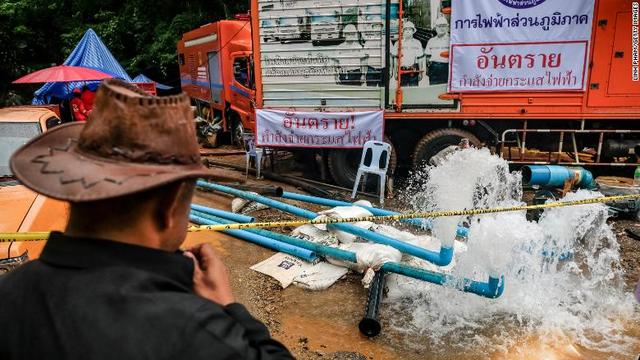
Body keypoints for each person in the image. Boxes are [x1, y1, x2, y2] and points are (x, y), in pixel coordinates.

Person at [0, 79, 294, 360]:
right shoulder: (192, 330)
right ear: (168, 207)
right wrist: (228, 306)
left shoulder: (10, 295)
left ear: (70, 189)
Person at [390, 20, 424, 87]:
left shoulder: (417, 43)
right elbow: (395, 59)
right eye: (406, 29)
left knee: (414, 91)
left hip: (413, 71)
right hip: (402, 70)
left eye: (410, 29)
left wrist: (420, 72)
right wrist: (395, 72)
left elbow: (420, 59)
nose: (408, 31)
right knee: (403, 91)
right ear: (403, 31)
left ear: (413, 31)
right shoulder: (398, 43)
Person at [424, 16, 450, 85]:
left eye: (443, 26)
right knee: (433, 89)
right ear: (436, 28)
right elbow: (428, 56)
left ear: (447, 27)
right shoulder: (431, 41)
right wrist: (427, 69)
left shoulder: (451, 40)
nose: (441, 28)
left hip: (447, 67)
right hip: (434, 68)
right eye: (439, 26)